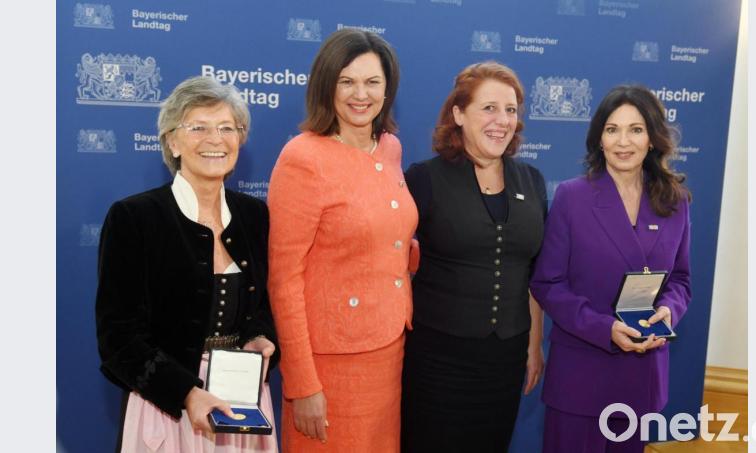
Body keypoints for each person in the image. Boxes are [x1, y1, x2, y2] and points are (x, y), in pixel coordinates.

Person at [95, 76, 279, 453]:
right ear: (172, 141)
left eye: (227, 127)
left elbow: (262, 307)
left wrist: (261, 338)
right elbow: (119, 339)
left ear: (240, 139)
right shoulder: (135, 217)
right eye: (198, 127)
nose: (215, 139)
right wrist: (186, 393)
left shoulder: (254, 215)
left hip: (241, 404)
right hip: (167, 408)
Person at [267, 29, 417, 452]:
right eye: (346, 81)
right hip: (328, 363)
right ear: (325, 84)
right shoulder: (302, 158)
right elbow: (284, 280)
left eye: (373, 82)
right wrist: (302, 384)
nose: (360, 94)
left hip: (388, 346)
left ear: (388, 89)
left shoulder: (390, 149)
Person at [529, 84, 692, 452]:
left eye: (636, 129)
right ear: (599, 138)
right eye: (612, 129)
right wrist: (605, 329)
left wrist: (668, 311)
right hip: (580, 377)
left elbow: (681, 280)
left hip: (641, 376)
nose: (624, 141)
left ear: (652, 138)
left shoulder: (675, 201)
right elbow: (547, 283)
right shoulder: (573, 197)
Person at [401, 61, 547, 453]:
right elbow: (389, 264)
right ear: (459, 114)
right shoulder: (424, 179)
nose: (502, 120)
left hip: (505, 361)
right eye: (489, 108)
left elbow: (533, 273)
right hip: (437, 361)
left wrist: (534, 347)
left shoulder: (531, 181)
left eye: (511, 110)